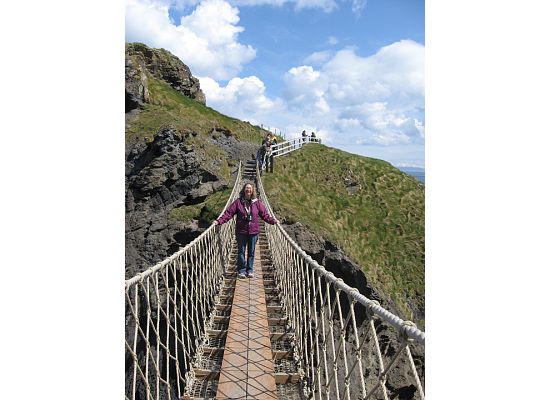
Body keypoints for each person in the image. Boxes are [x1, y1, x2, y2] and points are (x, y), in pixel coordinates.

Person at [212, 183, 278, 279]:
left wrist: (273, 221)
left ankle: (250, 270)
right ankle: (241, 270)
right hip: (241, 232)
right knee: (241, 252)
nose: (248, 190)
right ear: (244, 190)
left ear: (253, 191)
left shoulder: (257, 203)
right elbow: (228, 213)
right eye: (247, 188)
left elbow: (265, 215)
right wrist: (218, 221)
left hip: (253, 232)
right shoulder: (238, 202)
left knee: (251, 252)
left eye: (250, 188)